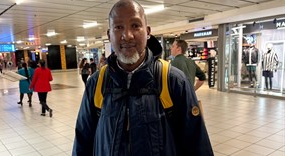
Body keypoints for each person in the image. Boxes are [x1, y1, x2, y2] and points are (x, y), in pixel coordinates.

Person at [72, 1, 213, 156]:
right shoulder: (96, 83)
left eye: (135, 25)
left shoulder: (173, 81)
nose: (127, 35)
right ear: (109, 34)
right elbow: (82, 141)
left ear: (147, 32)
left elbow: (197, 144)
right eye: (118, 27)